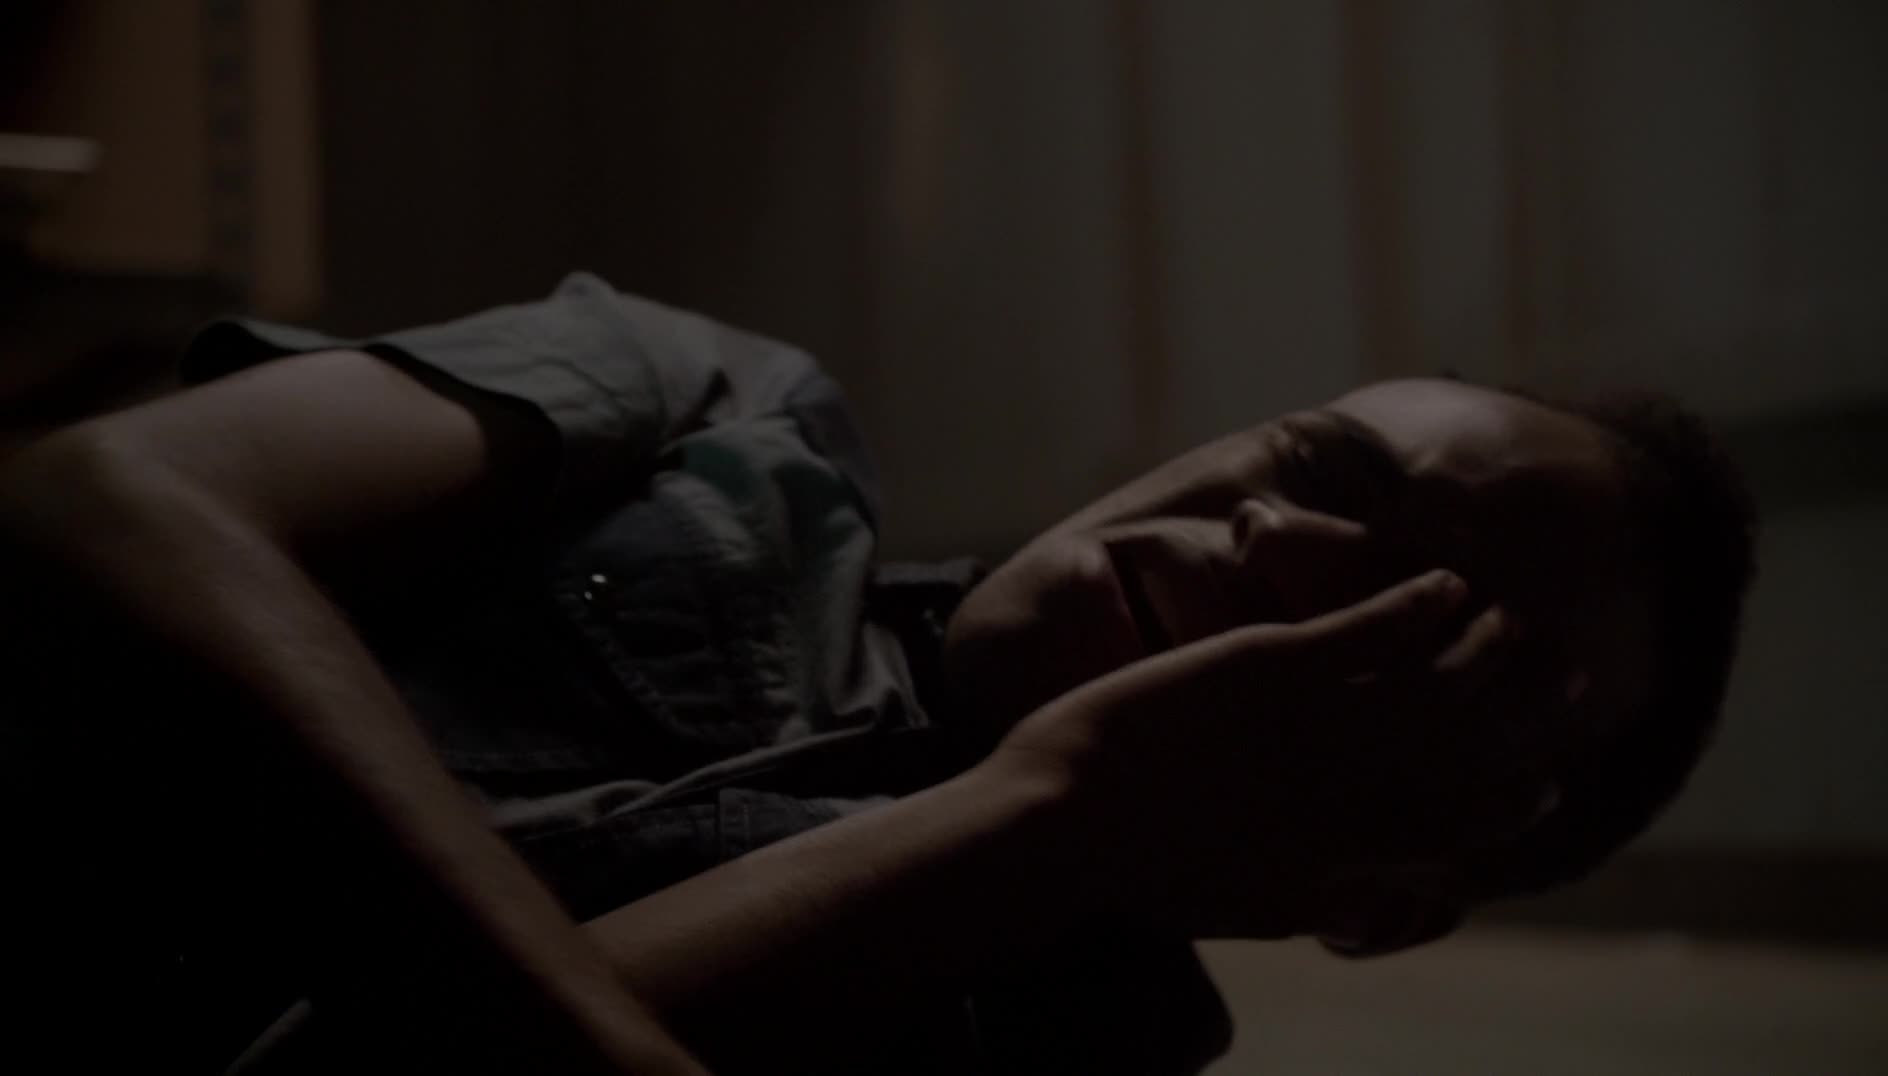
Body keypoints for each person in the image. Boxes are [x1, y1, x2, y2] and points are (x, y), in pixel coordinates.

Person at [0, 274, 1756, 1074]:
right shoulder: (725, 413)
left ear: (1379, 902)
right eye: (1318, 468)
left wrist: (1065, 818)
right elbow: (106, 503)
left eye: (1410, 627)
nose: (1278, 544)